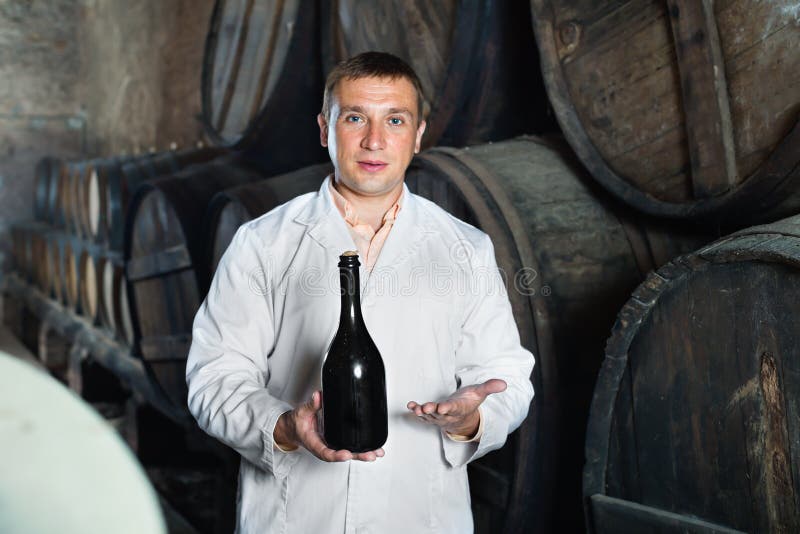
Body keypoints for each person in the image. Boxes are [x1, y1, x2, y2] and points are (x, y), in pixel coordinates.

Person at [186, 52, 534, 534]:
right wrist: (283, 426)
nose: (374, 140)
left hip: (420, 517)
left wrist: (471, 420)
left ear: (418, 135)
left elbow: (505, 376)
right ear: (325, 128)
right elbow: (213, 377)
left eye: (395, 119)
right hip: (298, 517)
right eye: (355, 118)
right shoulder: (263, 243)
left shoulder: (465, 249)